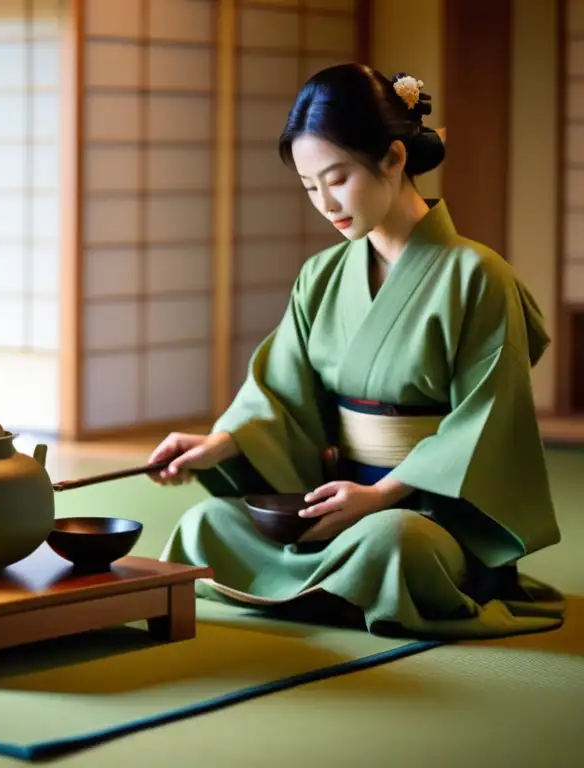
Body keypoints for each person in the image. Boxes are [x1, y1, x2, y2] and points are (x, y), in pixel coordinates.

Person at [150, 64, 565, 639]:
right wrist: (218, 445)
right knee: (204, 526)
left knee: (393, 545)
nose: (325, 203)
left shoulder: (478, 276)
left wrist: (380, 497)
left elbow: (487, 423)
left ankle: (335, 585)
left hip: (426, 511)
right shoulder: (321, 277)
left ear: (394, 159)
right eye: (309, 186)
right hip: (336, 504)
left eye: (337, 178)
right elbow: (279, 392)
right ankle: (339, 589)